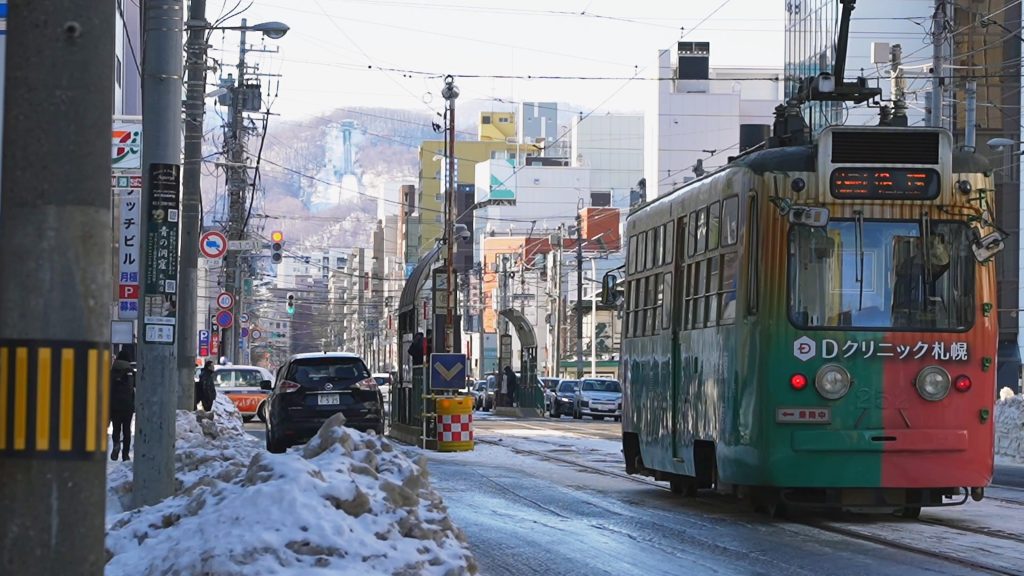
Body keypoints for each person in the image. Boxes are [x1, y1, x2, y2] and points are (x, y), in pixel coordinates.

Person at [109, 348, 135, 461]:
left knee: (116, 428)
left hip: (114, 406)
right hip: (128, 406)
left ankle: (116, 445)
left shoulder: (111, 372)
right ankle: (125, 454)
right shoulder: (131, 373)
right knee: (126, 430)